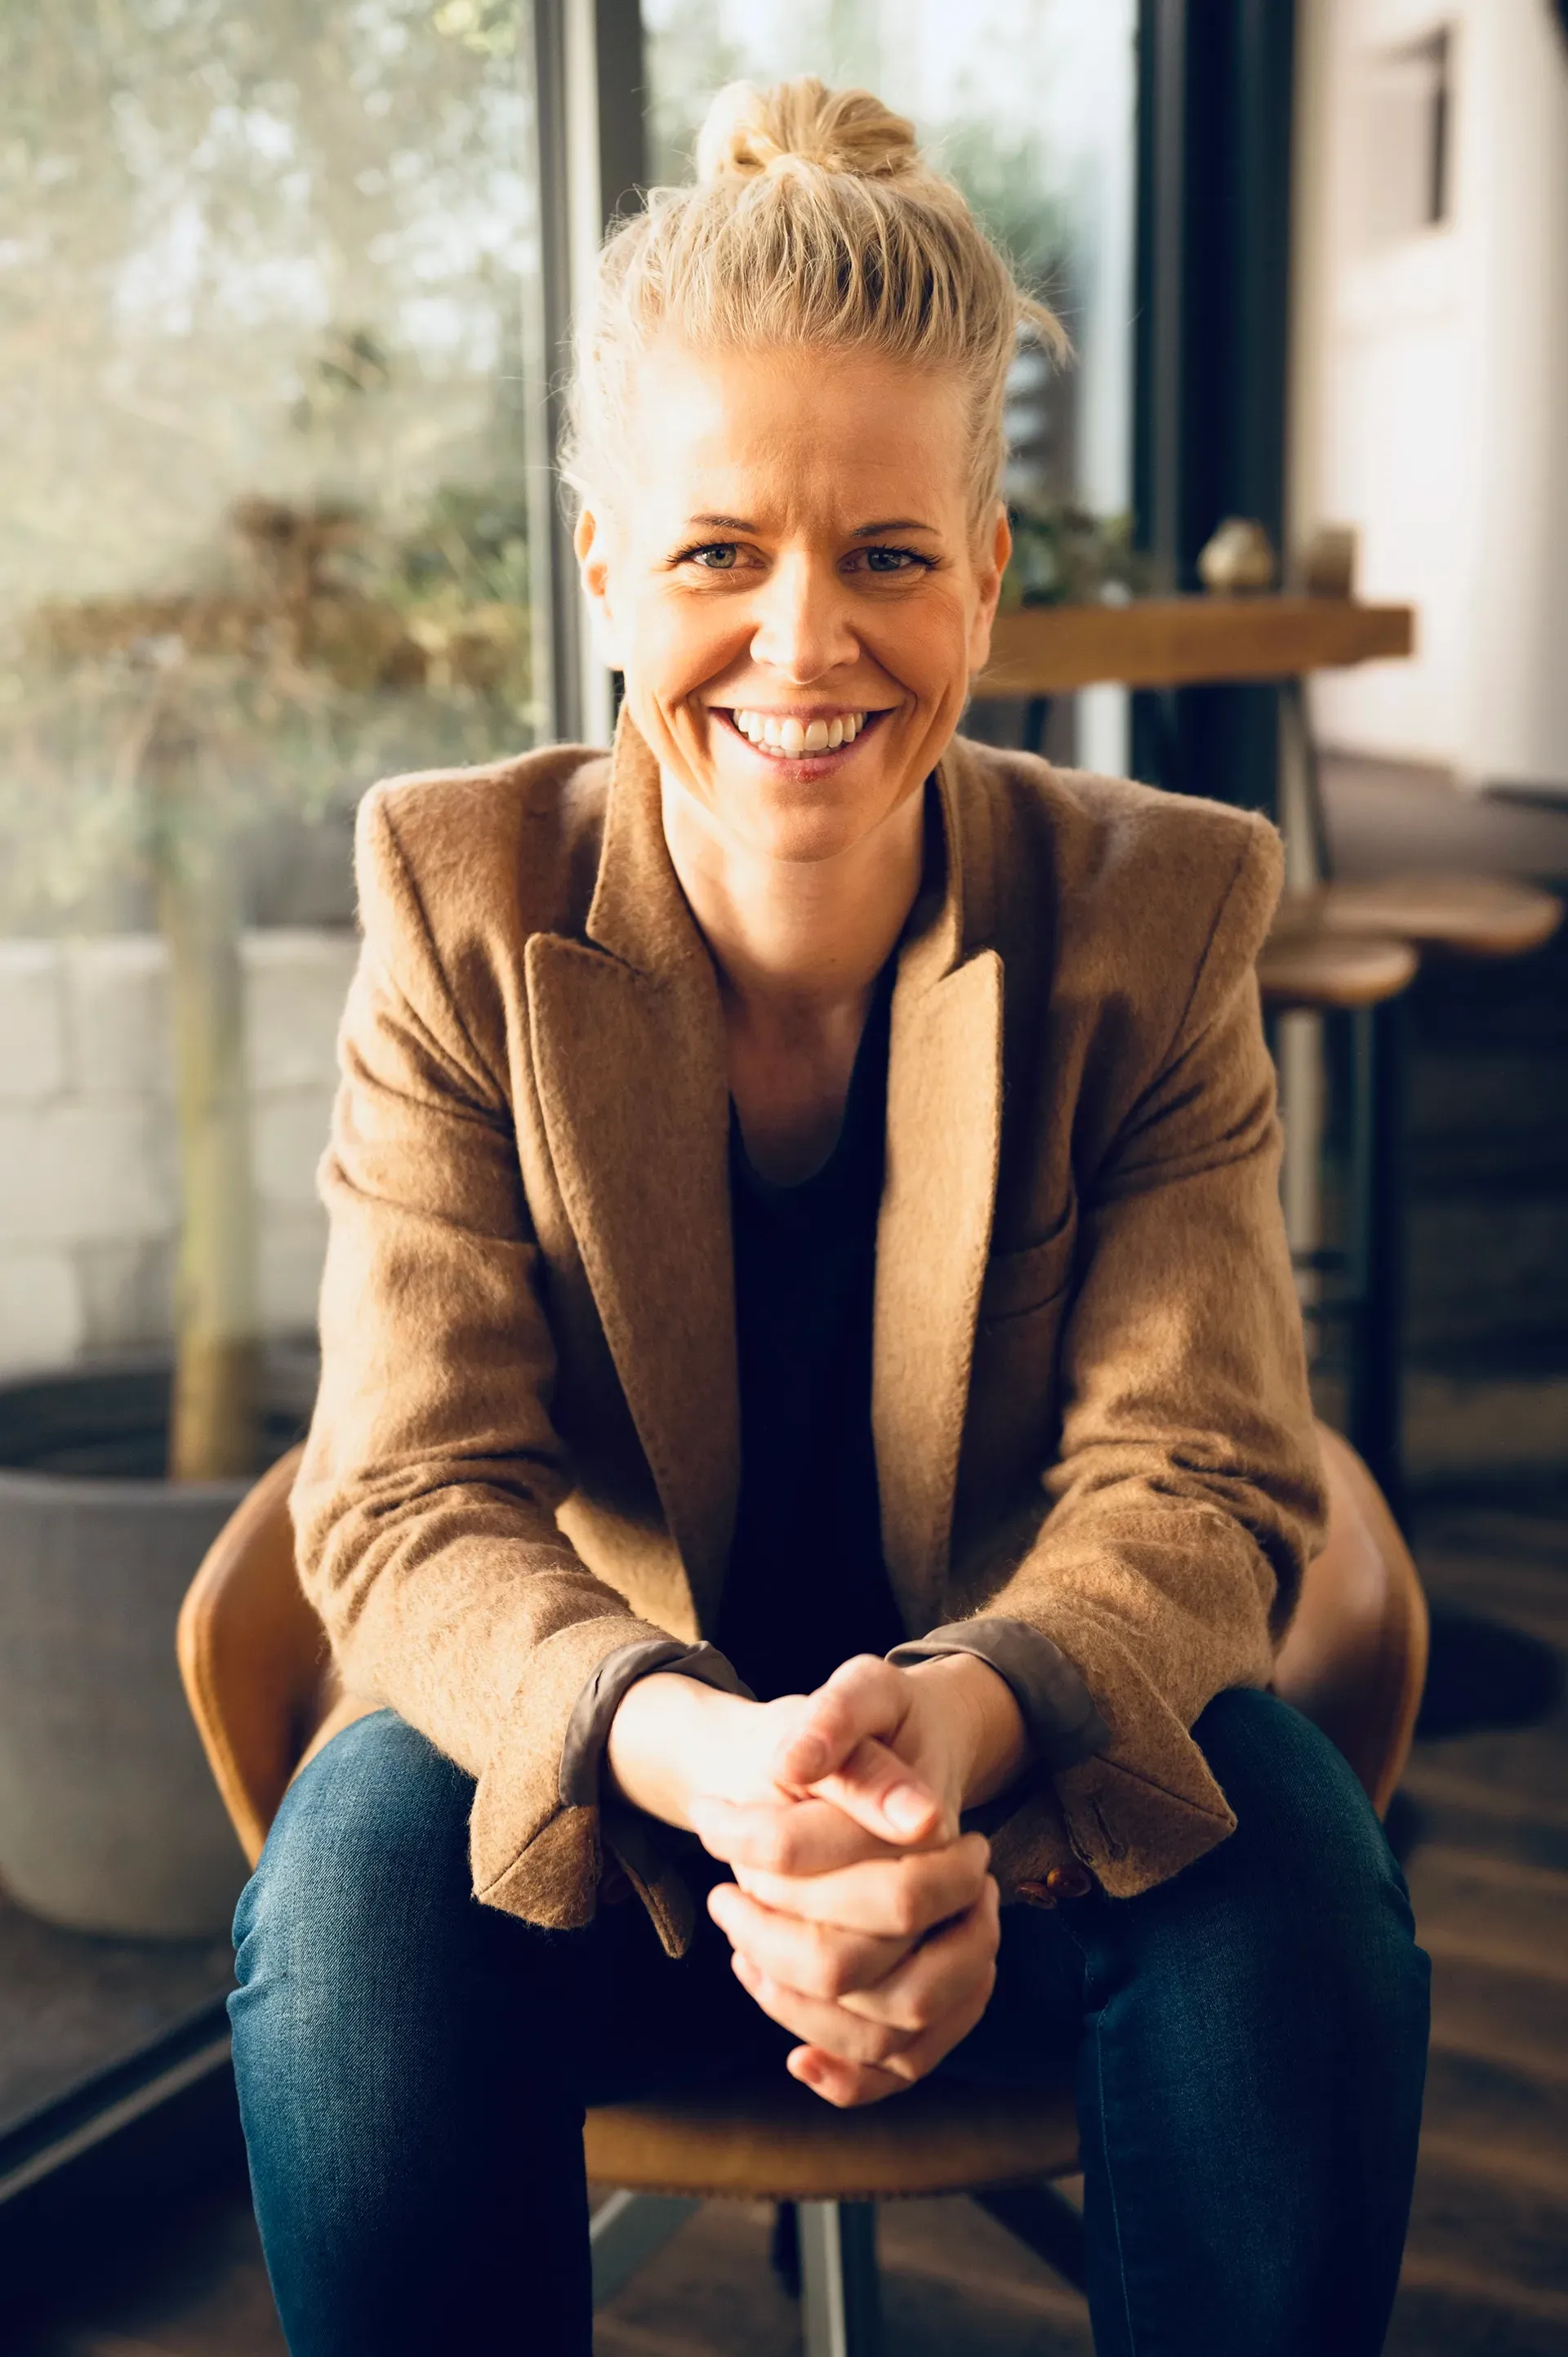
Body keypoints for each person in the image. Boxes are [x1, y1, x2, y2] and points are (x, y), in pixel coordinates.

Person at [229, 77, 1429, 2357]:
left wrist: (958, 1736)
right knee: (351, 1884)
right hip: (594, 1773)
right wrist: (717, 1760)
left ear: (989, 568)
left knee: (1291, 1886)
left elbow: (1194, 1477)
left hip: (1028, 1764)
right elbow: (405, 1500)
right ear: (601, 563)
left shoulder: (1162, 908)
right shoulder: (457, 897)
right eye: (716, 554)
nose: (806, 644)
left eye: (888, 554)